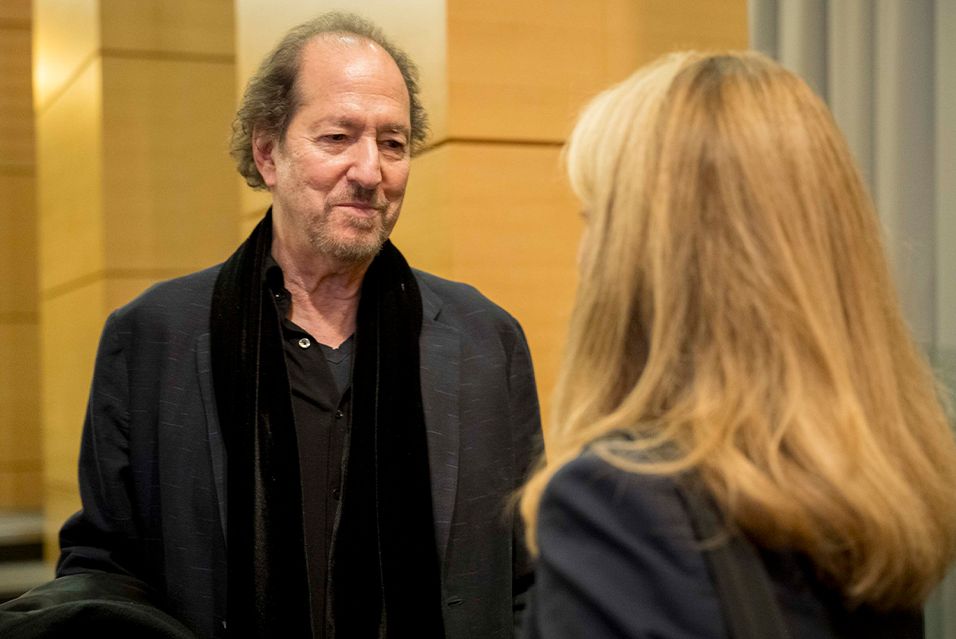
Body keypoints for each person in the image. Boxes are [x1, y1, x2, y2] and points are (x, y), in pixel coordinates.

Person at [2, 12, 541, 639]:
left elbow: (527, 577)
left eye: (393, 143)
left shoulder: (485, 339)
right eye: (338, 137)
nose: (371, 172)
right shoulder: (152, 339)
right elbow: (103, 567)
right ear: (268, 153)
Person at [520, 50, 956, 638]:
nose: (583, 253)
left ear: (647, 255)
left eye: (594, 217)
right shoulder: (875, 495)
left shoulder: (616, 504)